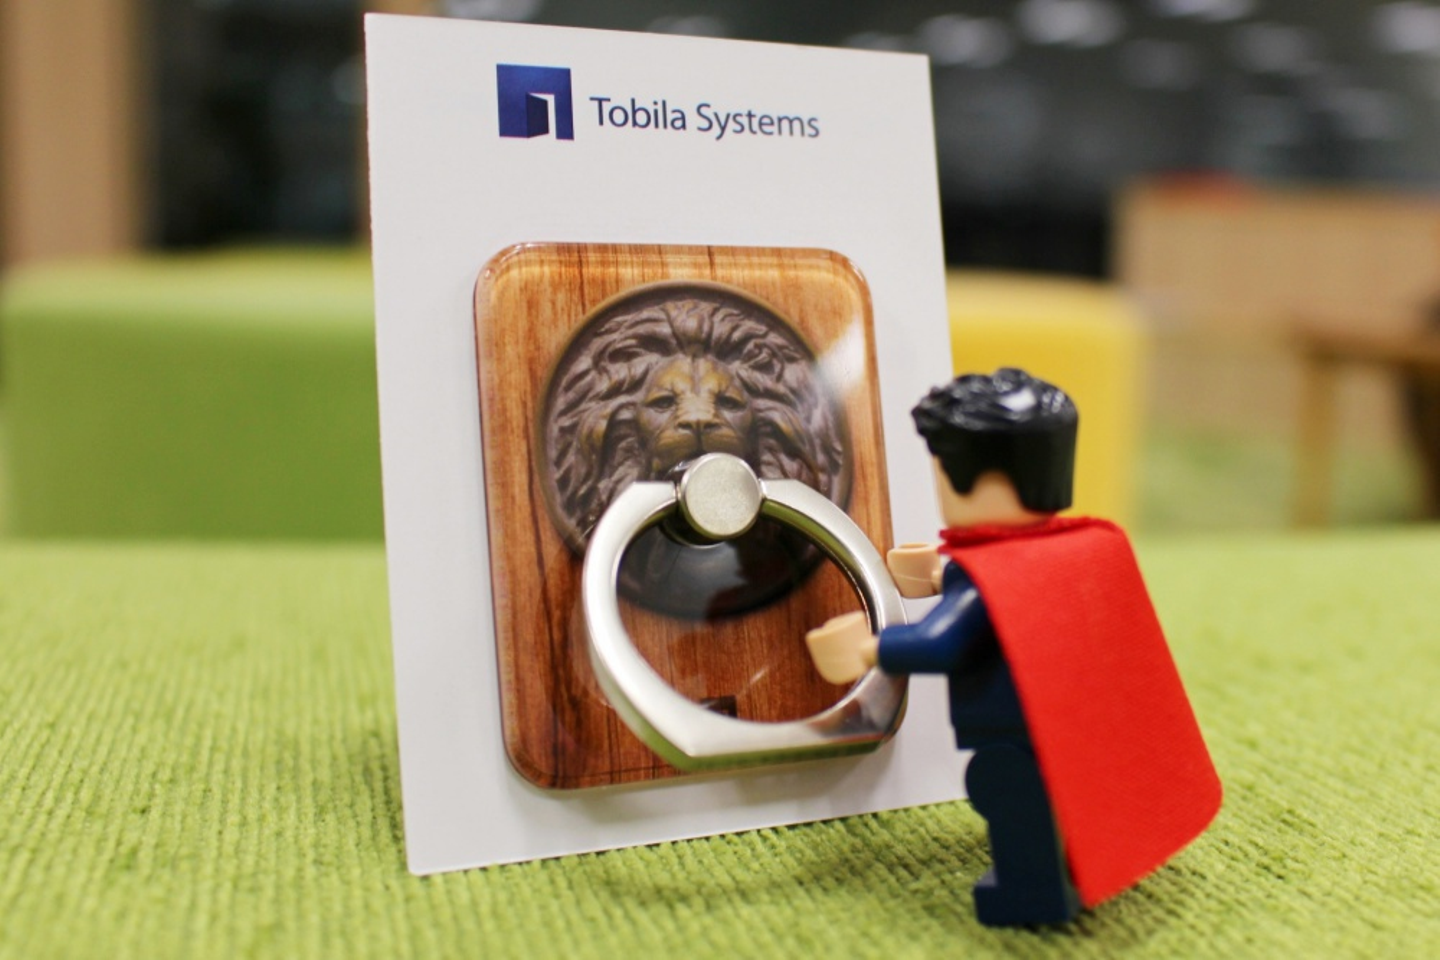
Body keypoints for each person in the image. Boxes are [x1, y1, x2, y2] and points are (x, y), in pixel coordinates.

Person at [806, 368, 1222, 926]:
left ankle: (1032, 892)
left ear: (979, 480)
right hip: (1066, 720)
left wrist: (869, 648)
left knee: (1009, 796)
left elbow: (943, 643)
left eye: (942, 473)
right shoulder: (1076, 546)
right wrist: (941, 574)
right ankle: (1068, 862)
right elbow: (1018, 593)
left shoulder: (988, 575)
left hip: (1013, 728)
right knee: (1053, 800)